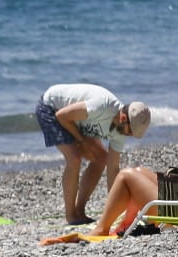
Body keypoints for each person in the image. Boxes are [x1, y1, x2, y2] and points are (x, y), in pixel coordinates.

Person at [35, 84, 151, 225]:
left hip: (78, 120)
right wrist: (82, 141)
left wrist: (116, 210)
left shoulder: (121, 131)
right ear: (123, 119)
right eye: (130, 132)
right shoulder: (102, 107)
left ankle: (80, 210)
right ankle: (71, 215)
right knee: (74, 159)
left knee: (101, 158)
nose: (129, 136)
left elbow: (113, 168)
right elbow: (62, 116)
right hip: (52, 108)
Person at [92, 166, 159, 236]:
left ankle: (101, 230)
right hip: (170, 199)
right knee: (139, 171)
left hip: (170, 210)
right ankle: (127, 222)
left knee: (125, 175)